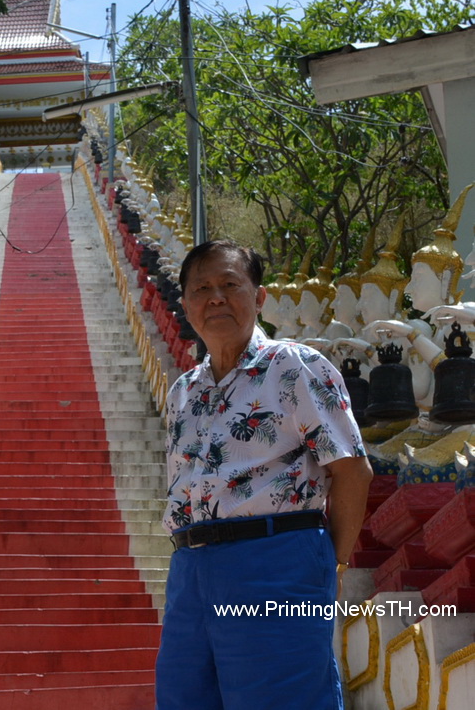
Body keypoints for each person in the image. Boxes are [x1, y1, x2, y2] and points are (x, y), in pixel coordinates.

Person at [156, 240, 373, 710]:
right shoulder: (183, 392)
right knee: (184, 699)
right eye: (202, 288)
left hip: (275, 561)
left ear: (259, 297)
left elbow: (352, 470)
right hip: (190, 569)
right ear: (186, 305)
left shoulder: (294, 367)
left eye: (230, 284)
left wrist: (332, 564)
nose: (216, 298)